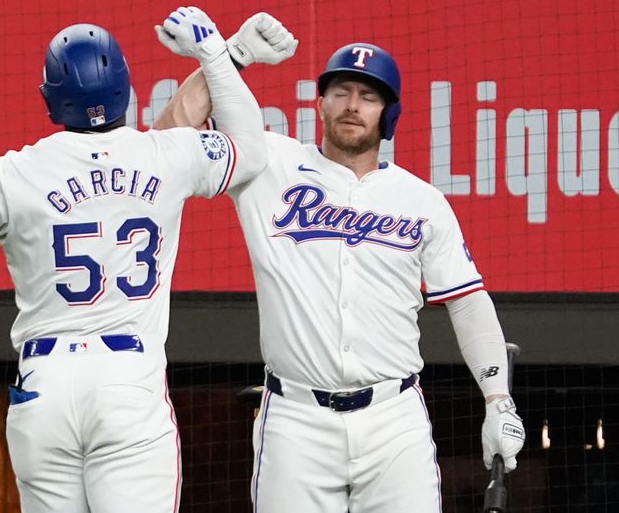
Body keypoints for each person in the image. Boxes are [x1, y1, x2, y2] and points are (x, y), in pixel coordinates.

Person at [0, 6, 293, 513]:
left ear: (49, 100)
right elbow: (248, 151)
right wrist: (219, 54)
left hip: (44, 388)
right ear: (125, 89)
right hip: (128, 380)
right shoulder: (164, 155)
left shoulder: (13, 173)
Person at [155, 33, 526, 512]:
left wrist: (498, 400)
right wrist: (228, 56)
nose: (353, 105)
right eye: (340, 92)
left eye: (368, 96)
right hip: (296, 421)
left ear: (387, 114)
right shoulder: (269, 163)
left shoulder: (423, 201)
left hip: (395, 423)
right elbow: (166, 141)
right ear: (321, 103)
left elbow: (468, 301)